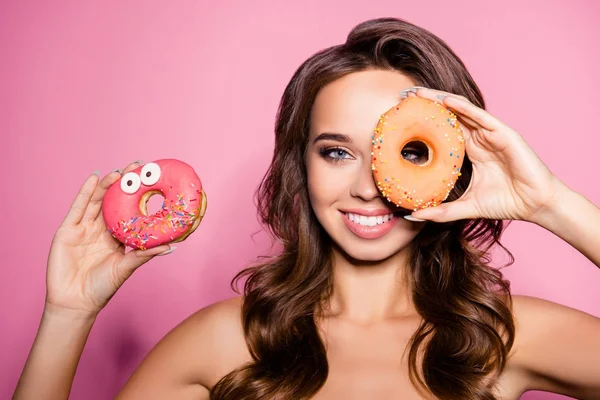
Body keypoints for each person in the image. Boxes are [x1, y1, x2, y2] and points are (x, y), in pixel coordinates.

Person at [13, 17, 600, 400]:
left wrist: (552, 204)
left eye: (406, 151)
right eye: (337, 151)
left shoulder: (502, 336)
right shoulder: (223, 343)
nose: (369, 187)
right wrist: (67, 314)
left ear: (450, 165)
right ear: (302, 166)